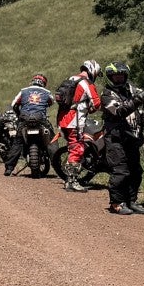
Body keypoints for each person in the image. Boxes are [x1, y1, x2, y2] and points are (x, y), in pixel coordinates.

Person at [100, 64, 144, 215]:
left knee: (136, 171)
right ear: (110, 77)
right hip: (116, 138)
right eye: (116, 76)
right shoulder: (107, 94)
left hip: (133, 137)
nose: (119, 78)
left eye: (121, 75)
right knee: (120, 171)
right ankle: (116, 203)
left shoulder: (133, 90)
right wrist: (138, 100)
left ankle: (131, 201)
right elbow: (118, 111)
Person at [59, 60, 103, 192]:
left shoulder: (71, 79)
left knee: (73, 148)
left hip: (63, 119)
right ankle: (71, 181)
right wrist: (92, 110)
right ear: (93, 71)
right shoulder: (86, 83)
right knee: (77, 149)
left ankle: (70, 179)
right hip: (75, 120)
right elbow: (96, 103)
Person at [5, 73, 57, 177]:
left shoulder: (23, 91)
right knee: (52, 140)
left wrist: (19, 114)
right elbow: (52, 102)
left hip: (25, 119)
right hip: (40, 119)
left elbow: (14, 104)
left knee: (17, 143)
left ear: (32, 81)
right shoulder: (47, 92)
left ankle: (9, 168)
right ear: (43, 83)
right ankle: (58, 166)